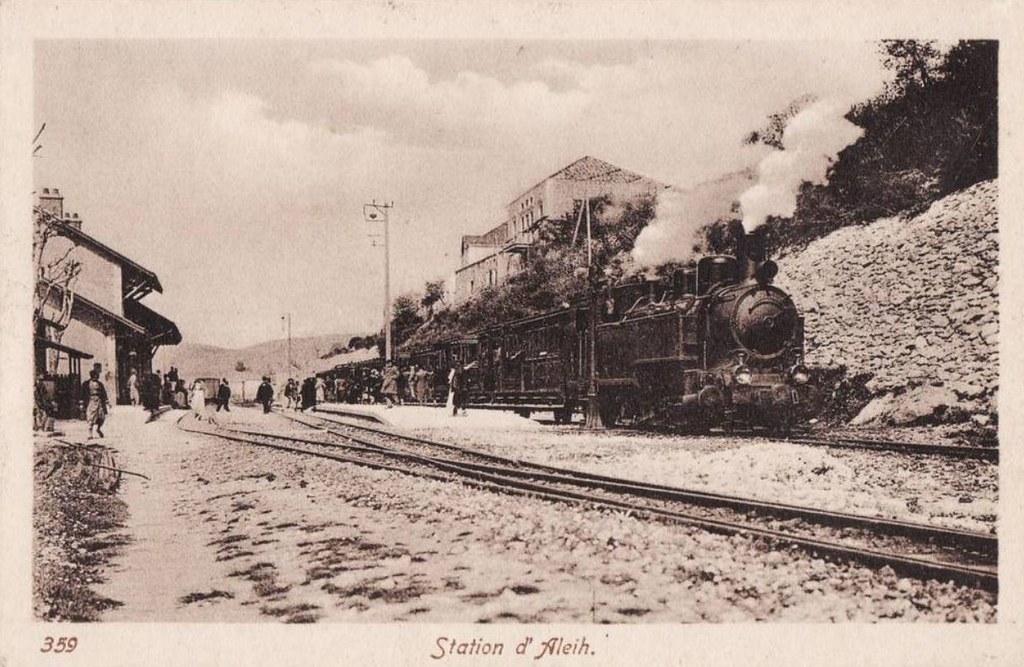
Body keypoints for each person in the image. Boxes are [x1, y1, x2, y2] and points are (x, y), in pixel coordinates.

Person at [81, 369, 110, 438]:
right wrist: (81, 403)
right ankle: (90, 433)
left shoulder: (100, 384)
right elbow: (82, 393)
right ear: (91, 376)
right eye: (94, 376)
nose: (95, 377)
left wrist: (107, 401)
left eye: (96, 376)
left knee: (101, 417)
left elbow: (104, 393)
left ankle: (98, 429)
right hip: (91, 401)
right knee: (91, 416)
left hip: (99, 401)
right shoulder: (86, 384)